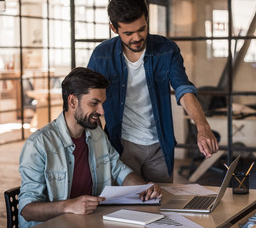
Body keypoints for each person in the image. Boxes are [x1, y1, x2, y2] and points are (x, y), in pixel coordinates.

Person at [87, 0, 219, 183]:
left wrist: (202, 126)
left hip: (160, 145)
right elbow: (89, 101)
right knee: (125, 207)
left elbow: (183, 89)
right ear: (114, 29)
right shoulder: (102, 55)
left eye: (142, 29)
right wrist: (97, 145)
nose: (137, 37)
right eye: (128, 33)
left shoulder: (166, 49)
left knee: (162, 203)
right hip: (121, 145)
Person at [18, 67, 162, 228]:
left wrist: (142, 188)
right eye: (94, 103)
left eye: (102, 104)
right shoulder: (38, 145)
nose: (101, 111)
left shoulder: (97, 135)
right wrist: (68, 206)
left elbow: (119, 170)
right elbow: (26, 210)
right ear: (72, 101)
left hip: (89, 222)